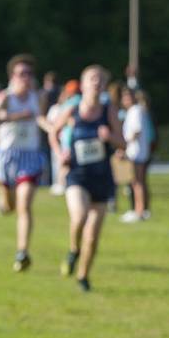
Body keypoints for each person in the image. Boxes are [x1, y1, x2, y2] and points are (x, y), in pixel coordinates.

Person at [48, 65, 125, 292]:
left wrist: (110, 136)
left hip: (101, 177)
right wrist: (60, 152)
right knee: (80, 215)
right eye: (92, 79)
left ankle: (83, 275)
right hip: (77, 174)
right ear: (82, 84)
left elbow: (123, 143)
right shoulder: (72, 109)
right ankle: (73, 250)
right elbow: (53, 132)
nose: (96, 83)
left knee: (92, 236)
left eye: (100, 80)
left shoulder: (108, 111)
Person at [0, 54, 47, 271]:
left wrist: (53, 127)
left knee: (25, 205)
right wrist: (15, 116)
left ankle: (22, 252)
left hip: (30, 156)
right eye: (21, 74)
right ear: (13, 76)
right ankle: (3, 201)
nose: (26, 78)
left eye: (29, 74)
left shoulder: (37, 97)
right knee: (10, 206)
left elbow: (41, 118)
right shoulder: (5, 97)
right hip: (7, 156)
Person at [120, 86, 152, 222]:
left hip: (136, 152)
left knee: (137, 183)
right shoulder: (133, 111)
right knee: (137, 182)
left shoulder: (136, 110)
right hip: (136, 152)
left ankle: (140, 211)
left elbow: (136, 131)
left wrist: (124, 144)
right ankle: (140, 209)